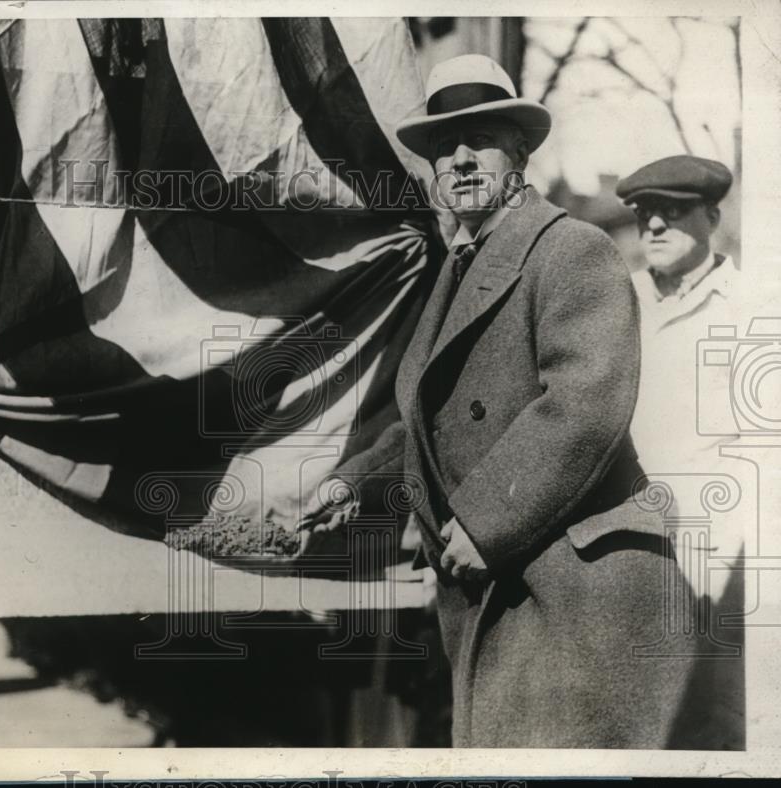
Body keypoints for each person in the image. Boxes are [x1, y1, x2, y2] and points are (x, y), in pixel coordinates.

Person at [300, 54, 698, 748]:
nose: (457, 160)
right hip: (515, 583)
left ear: (518, 151)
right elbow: (431, 422)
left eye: (477, 139)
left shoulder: (572, 249)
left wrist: (485, 521)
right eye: (441, 147)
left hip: (581, 594)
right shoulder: (461, 266)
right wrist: (350, 483)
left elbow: (584, 402)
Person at [615, 156, 745, 749]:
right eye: (645, 215)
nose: (656, 227)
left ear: (713, 216)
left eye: (674, 212)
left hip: (714, 555)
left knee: (709, 722)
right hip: (625, 547)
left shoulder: (748, 306)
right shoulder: (618, 304)